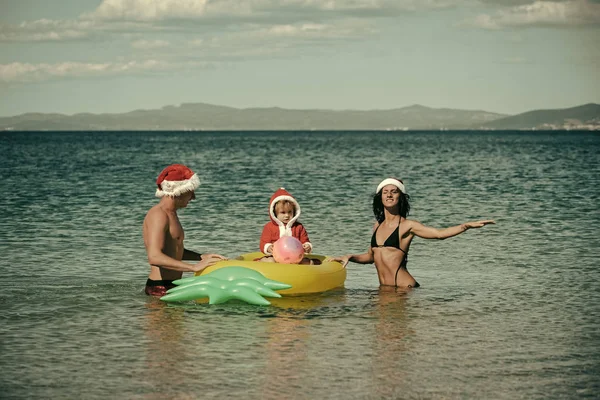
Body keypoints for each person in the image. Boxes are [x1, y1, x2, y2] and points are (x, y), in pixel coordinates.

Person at [330, 178, 495, 288]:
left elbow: (439, 234)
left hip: (405, 289)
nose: (389, 194)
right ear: (380, 197)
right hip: (385, 290)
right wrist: (350, 256)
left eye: (394, 191)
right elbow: (372, 257)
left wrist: (465, 226)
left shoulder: (407, 226)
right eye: (385, 191)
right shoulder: (377, 226)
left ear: (400, 197)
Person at [142, 164, 227, 297]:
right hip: (159, 288)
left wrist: (200, 257)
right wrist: (193, 267)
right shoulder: (158, 215)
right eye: (190, 191)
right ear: (178, 191)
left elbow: (172, 251)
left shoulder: (171, 213)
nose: (193, 197)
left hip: (173, 285)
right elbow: (154, 257)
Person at [259, 187, 312, 257]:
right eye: (283, 212)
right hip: (275, 256)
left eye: (290, 212)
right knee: (268, 261)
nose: (287, 215)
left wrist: (307, 246)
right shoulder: (269, 227)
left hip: (295, 257)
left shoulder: (298, 227)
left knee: (309, 262)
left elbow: (304, 240)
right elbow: (263, 242)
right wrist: (268, 247)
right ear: (275, 213)